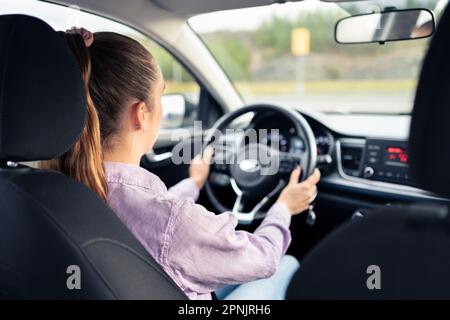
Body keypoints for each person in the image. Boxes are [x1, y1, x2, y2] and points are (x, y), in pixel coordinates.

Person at [43, 28, 321, 300]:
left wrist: (194, 183)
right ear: (141, 114)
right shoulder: (171, 220)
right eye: (160, 96)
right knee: (287, 266)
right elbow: (262, 258)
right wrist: (284, 207)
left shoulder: (50, 189)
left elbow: (153, 220)